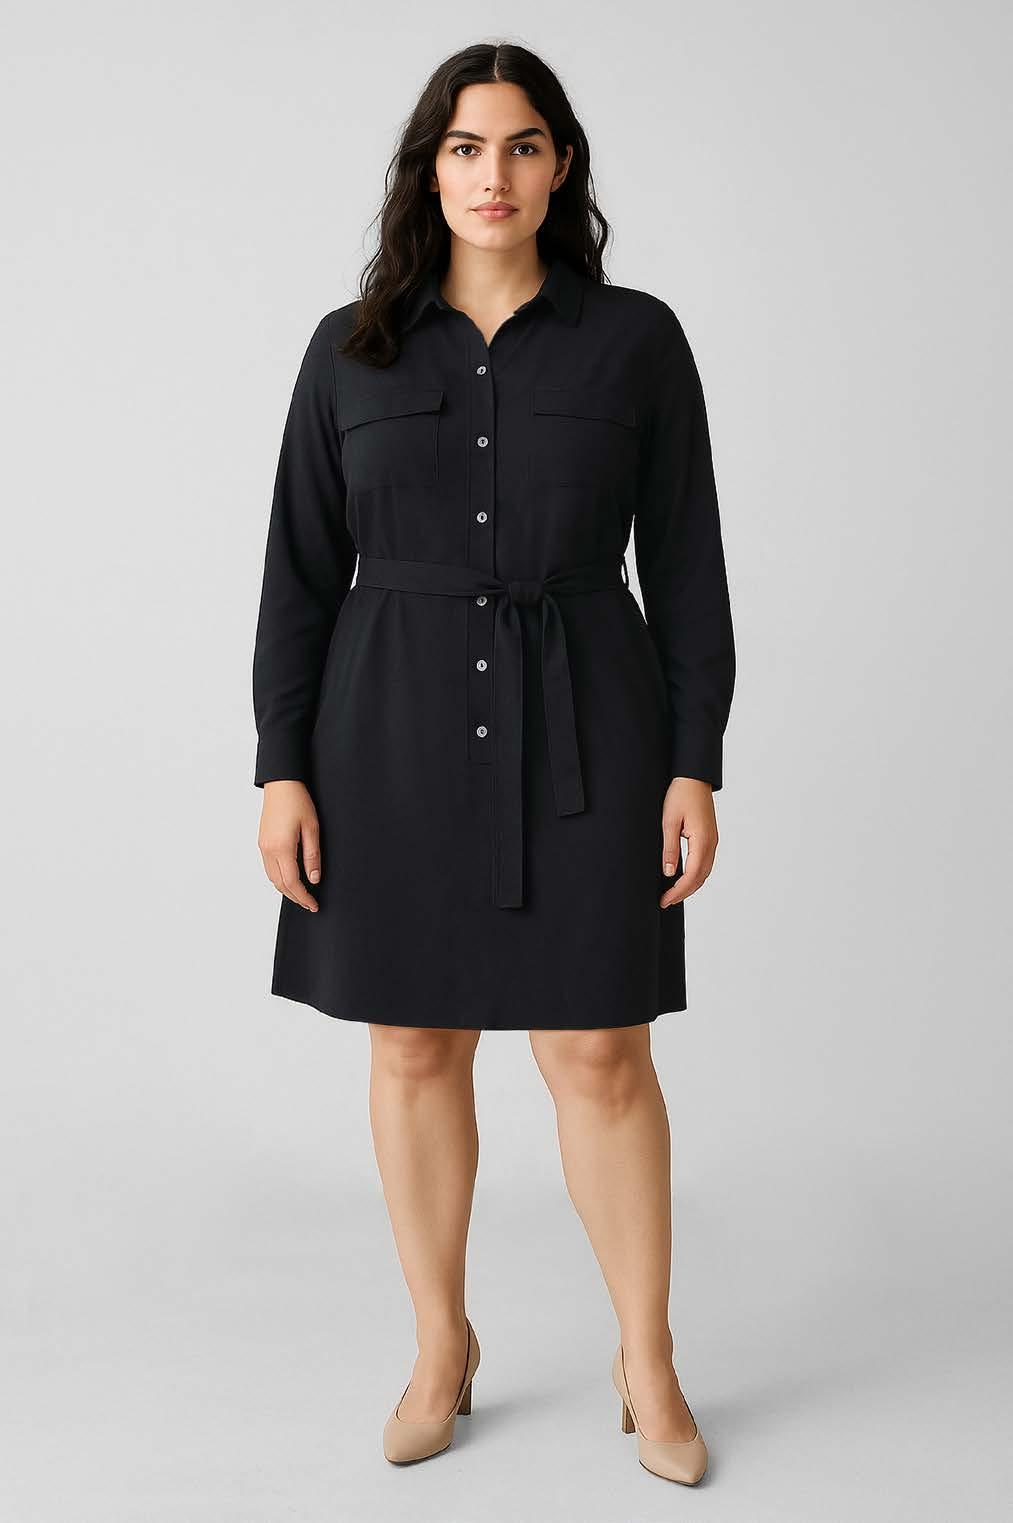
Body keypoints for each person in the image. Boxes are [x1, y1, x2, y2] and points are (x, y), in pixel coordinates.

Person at [251, 41, 735, 1486]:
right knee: (413, 1043)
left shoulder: (635, 342)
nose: (493, 175)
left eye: (522, 145)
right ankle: (439, 1345)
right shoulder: (351, 348)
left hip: (589, 728)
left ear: (560, 165)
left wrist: (693, 759)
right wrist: (282, 766)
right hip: (387, 737)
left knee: (599, 1051)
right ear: (429, 168)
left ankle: (646, 1361)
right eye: (465, 148)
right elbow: (297, 573)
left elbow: (688, 568)